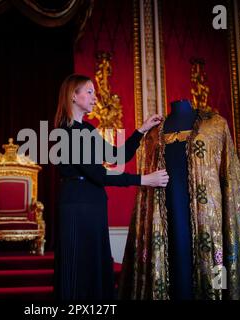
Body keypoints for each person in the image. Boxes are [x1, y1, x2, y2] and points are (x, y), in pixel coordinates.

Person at [119, 100, 240, 300]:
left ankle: (217, 294)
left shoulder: (215, 124)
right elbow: (119, 158)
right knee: (176, 255)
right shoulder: (154, 132)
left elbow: (228, 171)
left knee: (215, 259)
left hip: (208, 214)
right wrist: (141, 130)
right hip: (166, 209)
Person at [53, 74, 169, 300]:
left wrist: (141, 130)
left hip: (93, 204)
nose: (95, 97)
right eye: (89, 92)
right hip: (77, 207)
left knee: (95, 266)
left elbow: (117, 156)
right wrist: (143, 180)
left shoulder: (87, 130)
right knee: (77, 271)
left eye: (94, 92)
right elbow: (99, 174)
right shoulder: (65, 133)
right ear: (73, 96)